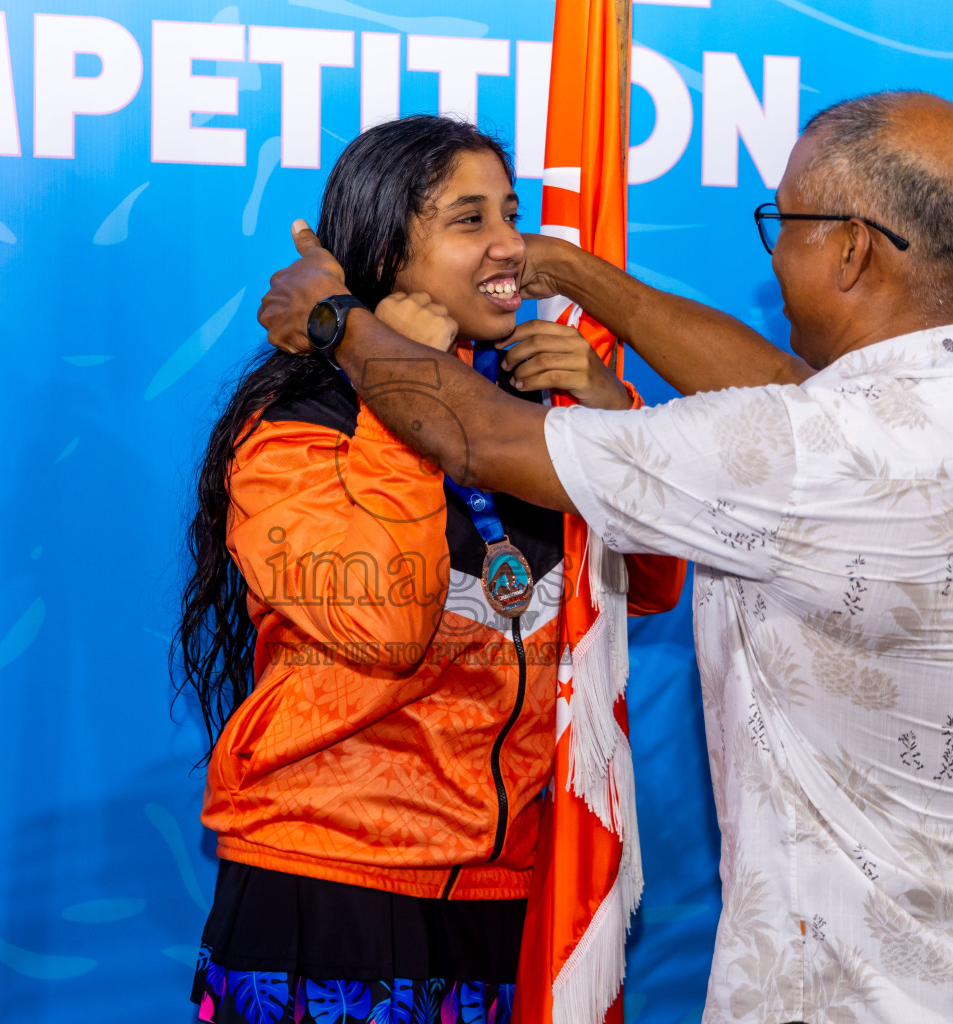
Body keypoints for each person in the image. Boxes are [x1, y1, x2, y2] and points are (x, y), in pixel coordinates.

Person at [258, 91, 953, 1023]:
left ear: (853, 249)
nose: (504, 244)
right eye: (473, 220)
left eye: (784, 222)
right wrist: (573, 275)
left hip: (841, 994)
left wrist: (337, 322)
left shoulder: (797, 453)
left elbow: (500, 453)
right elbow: (795, 399)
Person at [175, 114, 683, 1024]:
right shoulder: (301, 428)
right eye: (469, 219)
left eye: (513, 214)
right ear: (386, 251)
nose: (510, 246)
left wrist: (610, 419)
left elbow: (647, 584)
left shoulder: (527, 410)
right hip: (327, 880)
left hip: (501, 891)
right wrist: (396, 405)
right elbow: (386, 626)